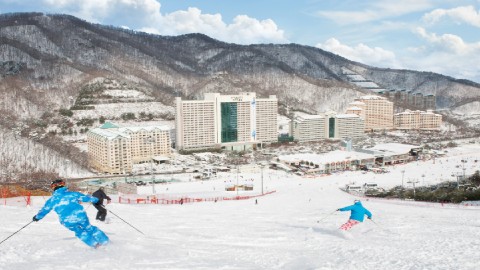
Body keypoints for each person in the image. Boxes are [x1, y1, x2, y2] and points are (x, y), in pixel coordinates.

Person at [32, 179, 109, 248]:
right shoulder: (74, 194)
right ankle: (105, 242)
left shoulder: (51, 200)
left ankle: (95, 244)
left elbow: (44, 211)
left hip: (66, 220)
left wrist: (37, 217)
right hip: (80, 216)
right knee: (89, 228)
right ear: (63, 185)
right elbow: (87, 198)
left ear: (53, 187)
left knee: (79, 231)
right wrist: (96, 200)